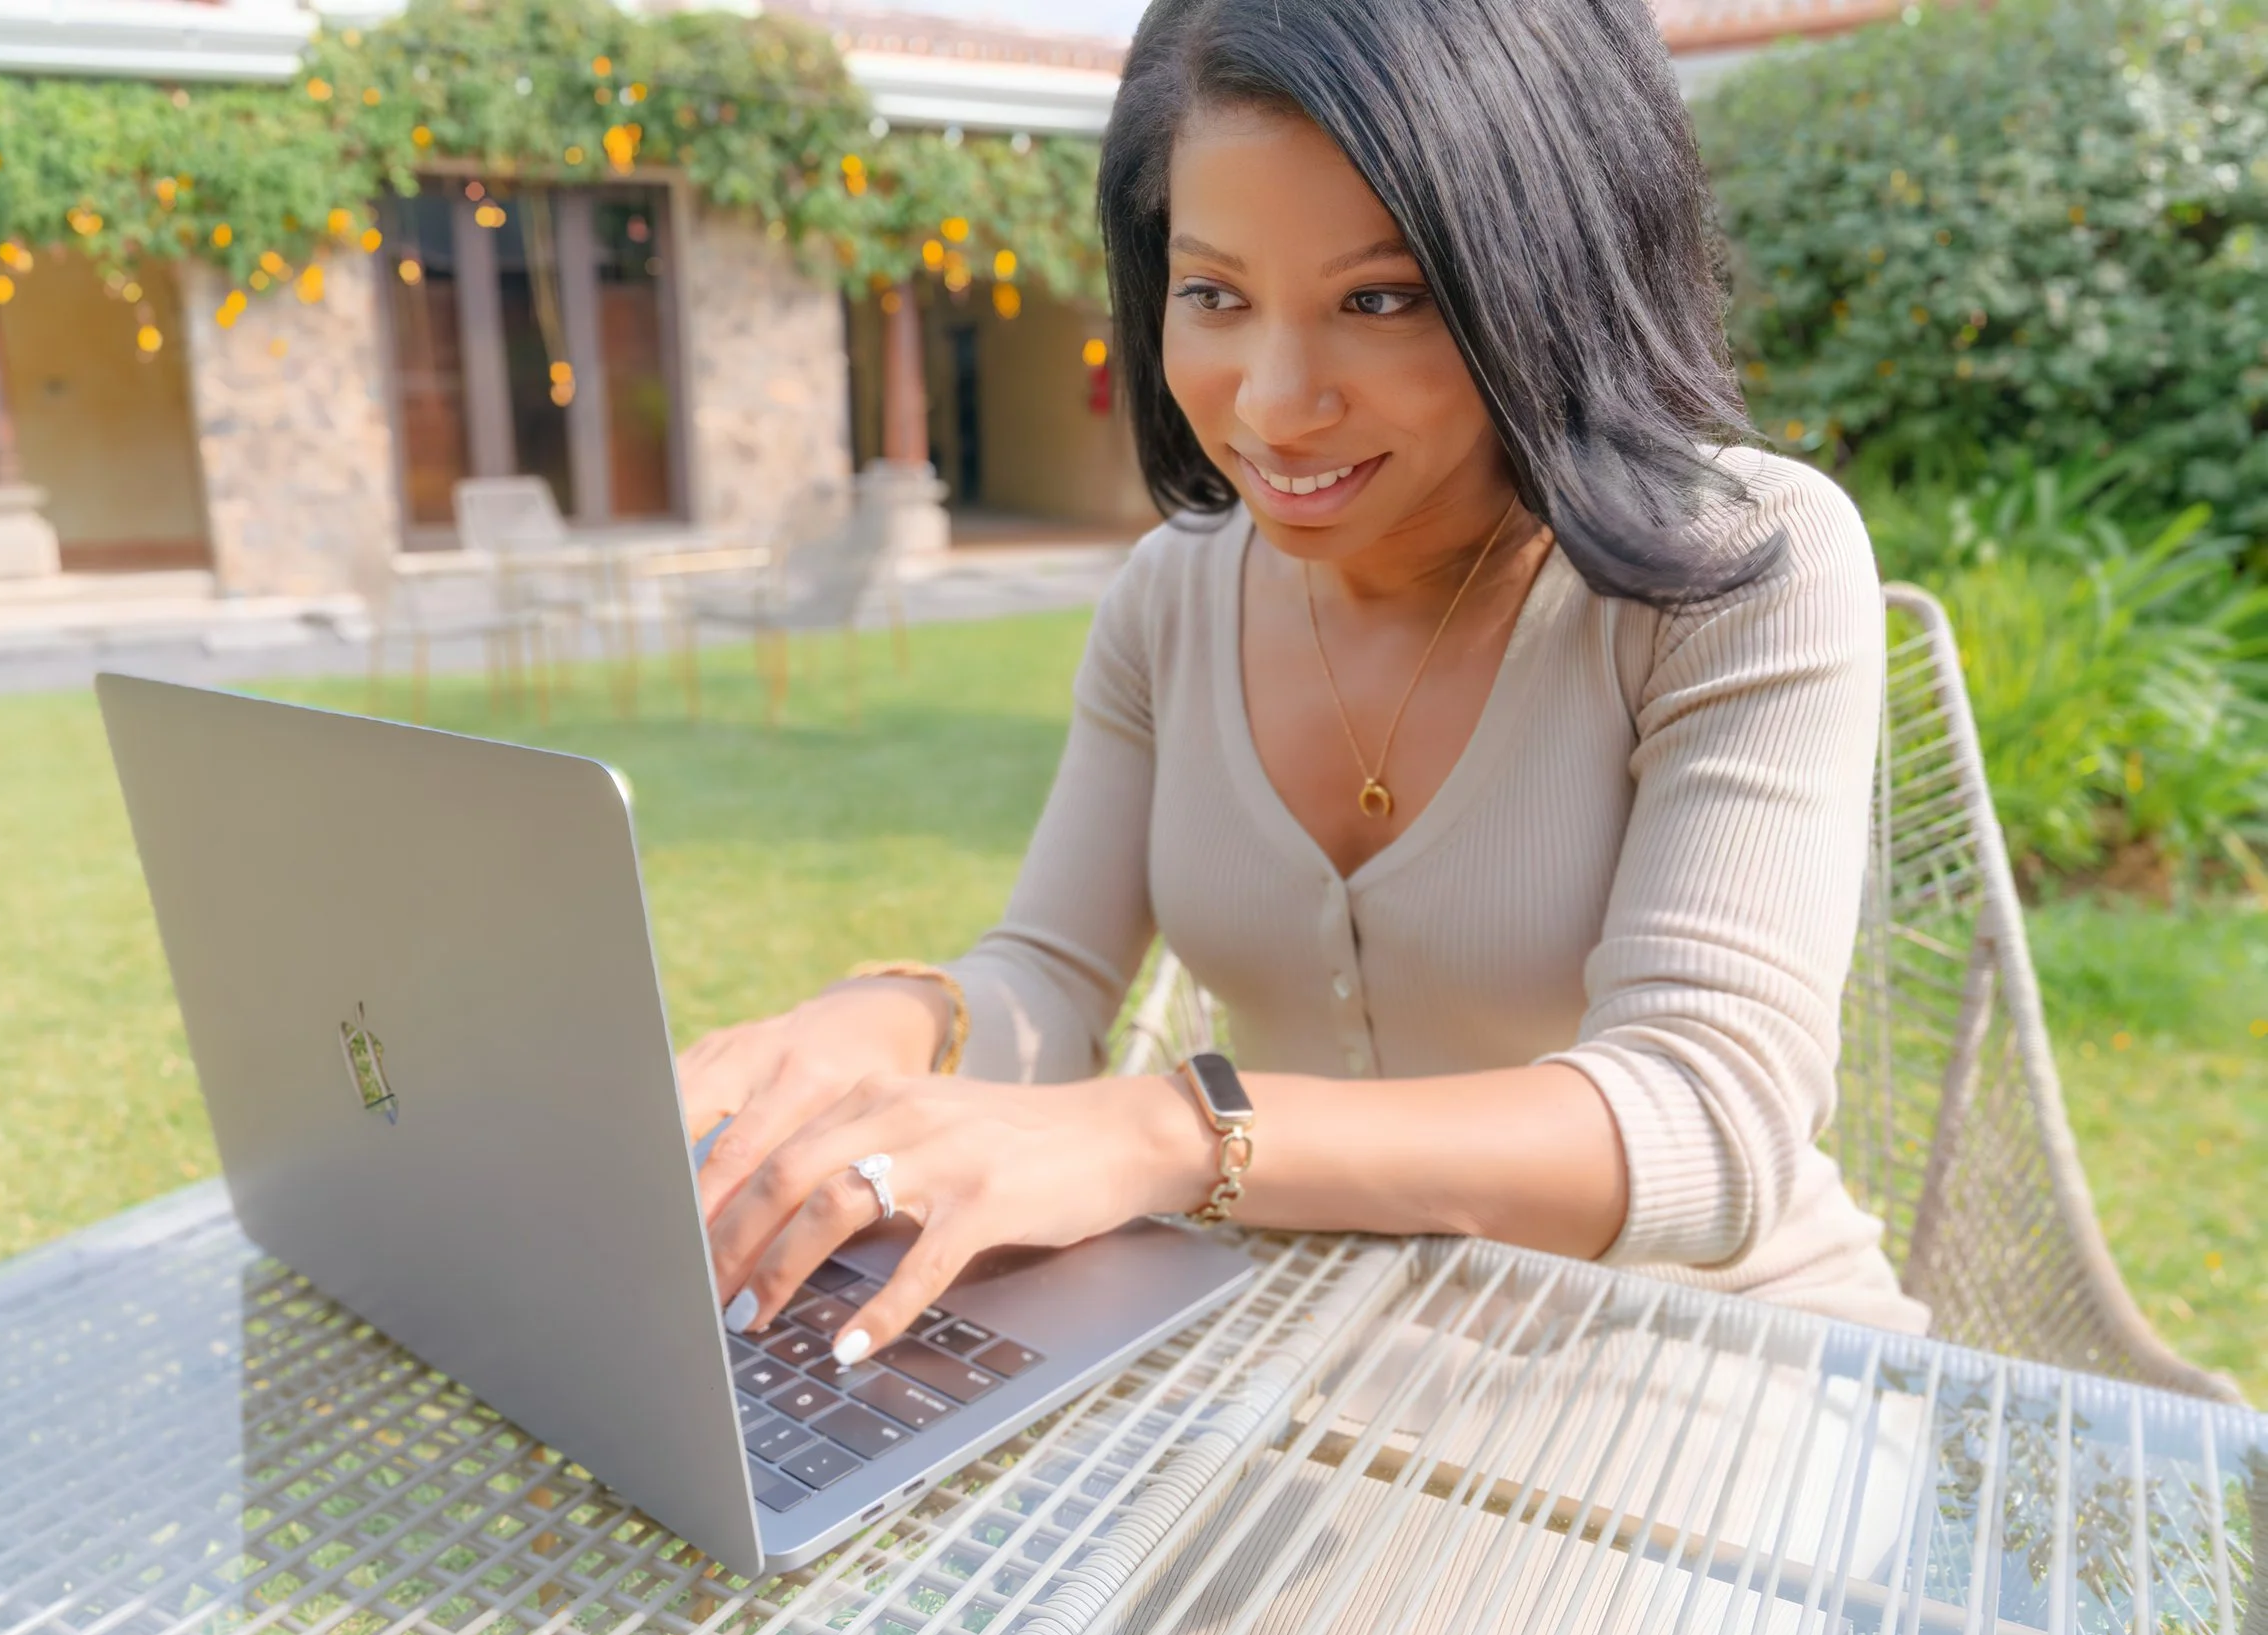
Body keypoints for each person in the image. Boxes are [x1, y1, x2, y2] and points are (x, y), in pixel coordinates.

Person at [678, 0, 1927, 1376]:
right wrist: (907, 1015)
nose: (1273, 405)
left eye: (1378, 300)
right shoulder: (1172, 598)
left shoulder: (1741, 569)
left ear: (1550, 283)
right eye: (1214, 294)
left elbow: (1706, 1114)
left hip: (1708, 1360)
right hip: (1324, 1364)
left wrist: (1169, 1132)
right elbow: (1051, 966)